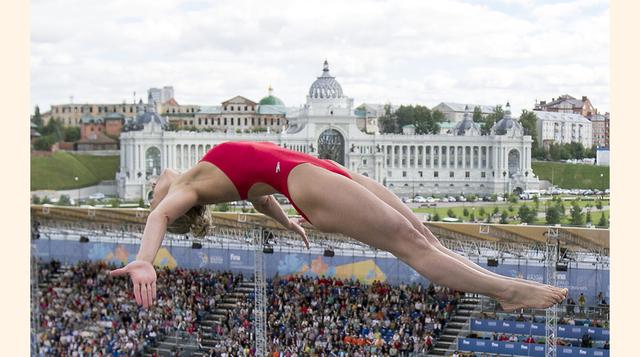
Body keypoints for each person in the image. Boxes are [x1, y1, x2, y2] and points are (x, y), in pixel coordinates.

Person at [110, 141, 567, 311]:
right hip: (310, 183)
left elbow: (258, 192)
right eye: (156, 191)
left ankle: (503, 287)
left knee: (424, 234)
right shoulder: (184, 194)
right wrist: (144, 261)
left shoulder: (203, 175)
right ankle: (508, 292)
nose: (155, 185)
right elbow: (158, 216)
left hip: (317, 170)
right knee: (412, 245)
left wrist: (285, 222)